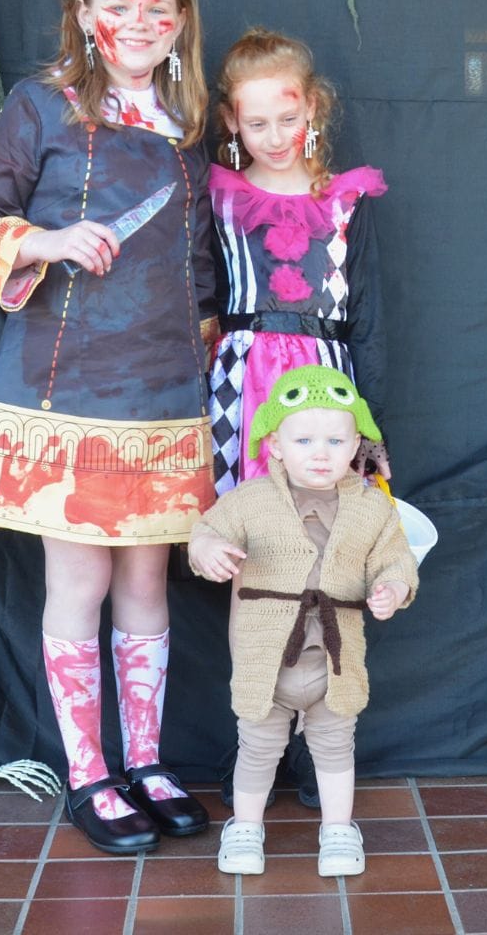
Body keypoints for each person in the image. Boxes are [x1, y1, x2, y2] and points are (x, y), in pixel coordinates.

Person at [0, 0, 218, 856]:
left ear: (179, 24)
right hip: (67, 386)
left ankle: (146, 764)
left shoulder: (191, 130)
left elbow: (200, 270)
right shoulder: (42, 105)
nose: (139, 21)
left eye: (157, 8)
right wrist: (52, 241)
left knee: (147, 578)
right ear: (84, 15)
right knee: (82, 578)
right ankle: (90, 776)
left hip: (166, 389)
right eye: (119, 7)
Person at [188, 365, 418, 877]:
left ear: (356, 444)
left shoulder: (372, 508)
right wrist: (207, 550)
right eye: (304, 440)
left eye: (335, 441)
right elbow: (205, 531)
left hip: (334, 660)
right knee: (257, 746)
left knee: (335, 746)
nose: (320, 453)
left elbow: (396, 558)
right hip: (265, 659)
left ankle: (338, 830)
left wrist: (394, 587)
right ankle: (245, 828)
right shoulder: (250, 501)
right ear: (275, 445)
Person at [209, 28, 392, 497]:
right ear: (231, 120)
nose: (275, 138)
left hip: (326, 381)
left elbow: (367, 316)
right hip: (240, 383)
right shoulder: (219, 200)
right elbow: (197, 301)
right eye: (257, 124)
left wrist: (371, 422)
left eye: (288, 119)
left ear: (311, 107)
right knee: (244, 512)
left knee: (322, 513)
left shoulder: (345, 202)